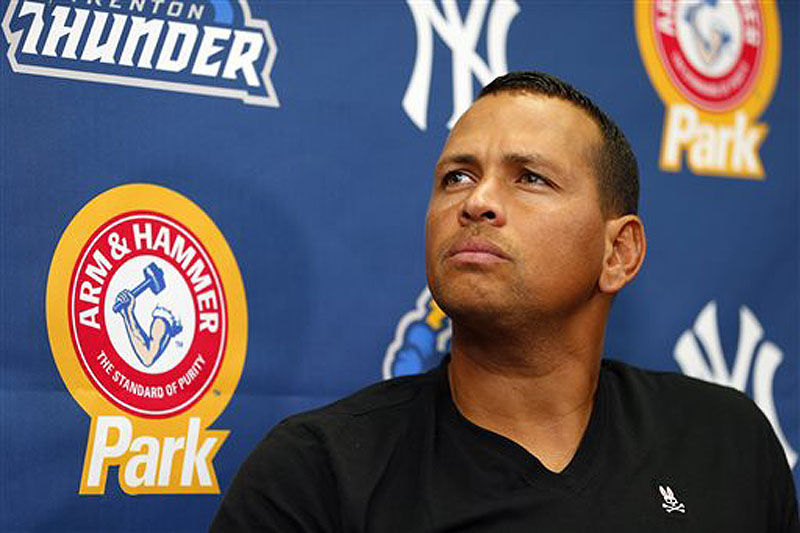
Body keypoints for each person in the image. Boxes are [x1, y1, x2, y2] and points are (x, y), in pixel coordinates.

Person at [212, 72, 799, 532]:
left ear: (618, 252)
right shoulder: (317, 473)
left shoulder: (726, 442)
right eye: (457, 178)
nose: (477, 202)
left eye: (531, 178)